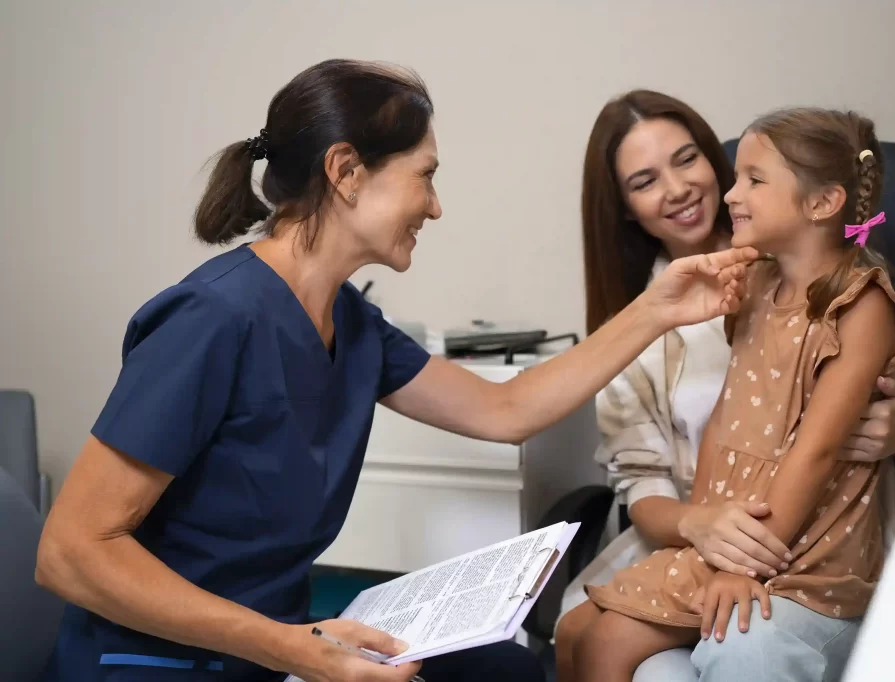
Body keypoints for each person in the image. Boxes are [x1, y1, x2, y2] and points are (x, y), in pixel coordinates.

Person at [33, 60, 758, 682]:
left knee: (503, 667)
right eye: (425, 177)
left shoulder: (351, 323)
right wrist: (295, 647)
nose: (435, 207)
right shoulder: (213, 320)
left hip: (274, 650)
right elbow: (69, 554)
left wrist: (657, 308)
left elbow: (504, 411)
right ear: (346, 172)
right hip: (166, 664)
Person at [555, 92, 895, 682]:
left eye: (688, 160)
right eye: (645, 181)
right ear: (625, 209)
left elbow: (835, 444)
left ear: (822, 202)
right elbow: (711, 437)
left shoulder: (847, 298)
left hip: (804, 541)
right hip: (713, 530)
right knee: (577, 634)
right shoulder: (749, 288)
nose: (683, 189)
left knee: (610, 641)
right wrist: (707, 533)